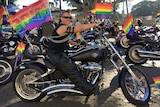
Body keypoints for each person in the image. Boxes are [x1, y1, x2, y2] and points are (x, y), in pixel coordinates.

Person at [47, 9, 99, 95]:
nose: (68, 19)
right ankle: (87, 89)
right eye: (66, 17)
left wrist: (77, 44)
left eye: (70, 17)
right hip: (55, 54)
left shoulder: (62, 27)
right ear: (61, 18)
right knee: (72, 69)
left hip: (59, 52)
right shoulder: (62, 27)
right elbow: (78, 28)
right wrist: (94, 24)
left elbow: (66, 39)